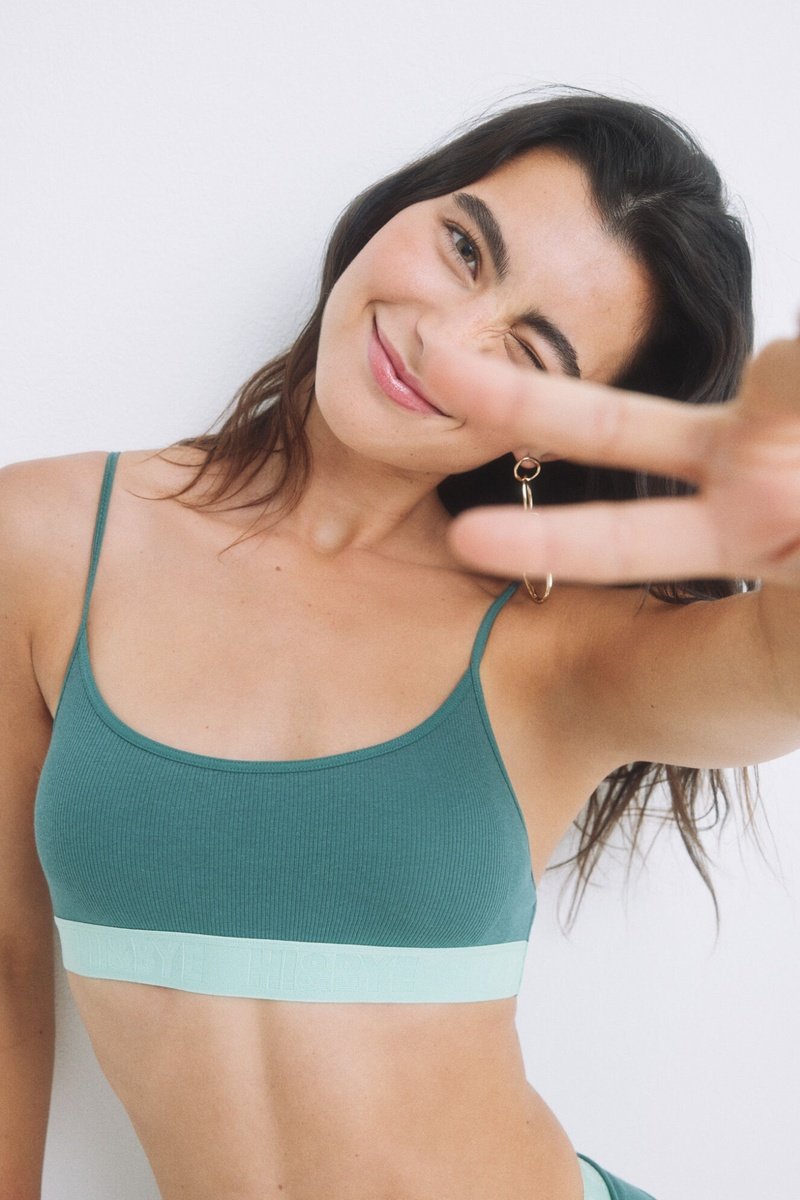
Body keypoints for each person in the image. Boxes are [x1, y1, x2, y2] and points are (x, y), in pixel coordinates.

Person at [2, 87, 797, 1200]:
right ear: (404, 206)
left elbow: (776, 669)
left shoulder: (558, 645)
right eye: (464, 248)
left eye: (529, 354)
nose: (442, 339)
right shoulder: (42, 543)